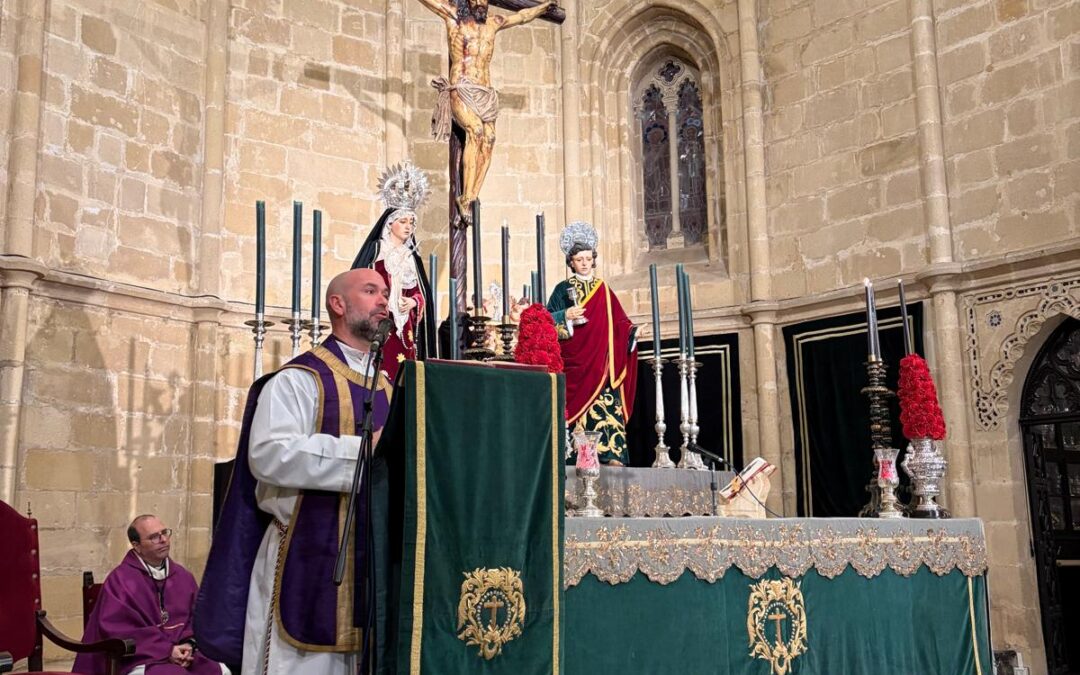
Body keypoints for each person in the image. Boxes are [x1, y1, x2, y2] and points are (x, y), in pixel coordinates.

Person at [194, 268, 394, 675]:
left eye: (386, 293)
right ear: (337, 304)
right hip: (305, 559)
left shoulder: (389, 388)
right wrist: (362, 452)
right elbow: (269, 453)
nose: (384, 301)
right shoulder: (299, 380)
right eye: (371, 291)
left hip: (374, 563)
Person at [418, 0, 554, 220]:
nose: (482, 3)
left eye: (485, 0)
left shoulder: (493, 23)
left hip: (485, 93)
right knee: (476, 130)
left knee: (490, 138)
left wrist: (544, 6)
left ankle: (470, 196)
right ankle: (466, 198)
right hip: (462, 89)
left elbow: (522, 16)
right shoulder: (454, 17)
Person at [74, 515, 228, 675]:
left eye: (164, 533)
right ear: (136, 546)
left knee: (219, 670)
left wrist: (189, 644)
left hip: (183, 652)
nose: (163, 540)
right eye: (154, 537)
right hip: (138, 658)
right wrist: (167, 650)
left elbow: (197, 618)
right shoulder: (120, 581)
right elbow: (118, 630)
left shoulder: (183, 576)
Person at [546, 221, 639, 465]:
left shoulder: (604, 289)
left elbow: (619, 322)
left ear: (593, 259)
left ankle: (611, 454)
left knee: (606, 404)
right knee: (576, 412)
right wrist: (566, 316)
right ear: (571, 262)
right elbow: (545, 323)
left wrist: (631, 332)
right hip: (575, 362)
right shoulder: (562, 289)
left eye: (588, 258)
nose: (585, 263)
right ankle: (578, 456)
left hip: (600, 362)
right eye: (579, 259)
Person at [352, 161, 436, 383]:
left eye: (411, 222)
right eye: (403, 221)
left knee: (403, 374)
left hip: (405, 325)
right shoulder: (377, 251)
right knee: (380, 371)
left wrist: (415, 302)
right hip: (380, 322)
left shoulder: (411, 257)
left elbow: (420, 291)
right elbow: (360, 283)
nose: (408, 227)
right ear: (390, 223)